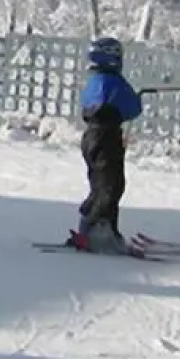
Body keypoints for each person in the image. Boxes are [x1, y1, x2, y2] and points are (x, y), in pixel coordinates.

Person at [66, 37, 144, 254]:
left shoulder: (94, 82)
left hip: (91, 137)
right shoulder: (113, 81)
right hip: (108, 138)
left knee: (99, 184)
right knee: (111, 185)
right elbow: (133, 108)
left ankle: (89, 226)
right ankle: (100, 231)